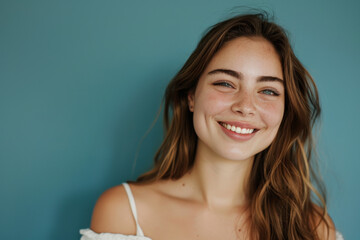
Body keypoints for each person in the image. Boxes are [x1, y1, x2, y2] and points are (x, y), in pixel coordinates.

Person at [80, 12, 343, 240]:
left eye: (268, 91)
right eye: (226, 84)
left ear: (286, 110)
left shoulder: (313, 227)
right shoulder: (124, 212)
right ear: (192, 96)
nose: (245, 106)